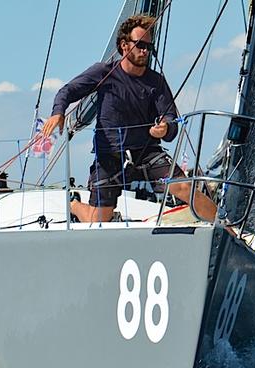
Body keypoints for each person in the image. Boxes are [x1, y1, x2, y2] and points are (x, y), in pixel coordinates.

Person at [39, 14, 217, 224]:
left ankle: (229, 232)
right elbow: (67, 91)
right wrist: (58, 112)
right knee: (99, 220)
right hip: (110, 156)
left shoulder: (156, 81)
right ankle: (74, 205)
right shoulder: (104, 73)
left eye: (148, 47)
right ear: (124, 45)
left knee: (185, 186)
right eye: (140, 45)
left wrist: (165, 128)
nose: (144, 51)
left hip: (146, 153)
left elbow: (171, 119)